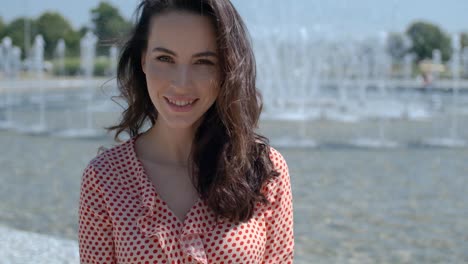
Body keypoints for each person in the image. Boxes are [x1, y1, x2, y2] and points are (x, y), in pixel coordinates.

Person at [78, 0, 294, 263]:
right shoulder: (105, 178)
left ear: (227, 68)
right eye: (165, 58)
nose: (181, 83)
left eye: (203, 62)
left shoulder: (264, 169)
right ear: (143, 60)